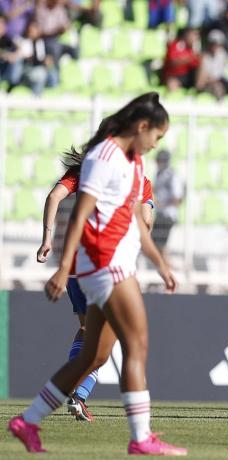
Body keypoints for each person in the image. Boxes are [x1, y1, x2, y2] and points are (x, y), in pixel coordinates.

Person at [7, 92, 186, 456]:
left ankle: (28, 421)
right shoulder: (103, 158)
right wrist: (62, 266)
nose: (156, 145)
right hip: (106, 264)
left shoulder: (134, 164)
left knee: (94, 357)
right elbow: (78, 213)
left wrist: (161, 263)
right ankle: (141, 438)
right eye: (157, 136)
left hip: (115, 263)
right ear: (142, 126)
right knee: (136, 344)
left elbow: (137, 221)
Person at [36, 153, 155, 422]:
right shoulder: (137, 180)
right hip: (106, 265)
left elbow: (54, 197)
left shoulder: (85, 172)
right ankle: (77, 396)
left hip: (77, 263)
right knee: (117, 337)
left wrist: (47, 240)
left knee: (88, 329)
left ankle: (67, 398)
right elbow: (146, 223)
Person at [151, 149, 182, 255]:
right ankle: (165, 265)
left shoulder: (172, 176)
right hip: (160, 213)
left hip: (168, 215)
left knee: (160, 243)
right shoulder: (159, 174)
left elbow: (177, 199)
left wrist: (161, 204)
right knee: (155, 242)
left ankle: (166, 266)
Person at [196, 29, 228, 100]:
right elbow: (201, 81)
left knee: (219, 87)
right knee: (216, 86)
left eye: (217, 44)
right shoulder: (204, 56)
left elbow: (223, 74)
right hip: (208, 83)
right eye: (213, 43)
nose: (215, 46)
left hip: (222, 82)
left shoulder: (223, 55)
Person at [162, 27, 201, 92]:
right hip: (174, 75)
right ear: (186, 35)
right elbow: (172, 62)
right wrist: (189, 59)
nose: (196, 38)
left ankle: (198, 90)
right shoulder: (176, 45)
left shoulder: (193, 49)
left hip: (188, 76)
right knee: (172, 84)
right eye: (194, 35)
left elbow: (197, 64)